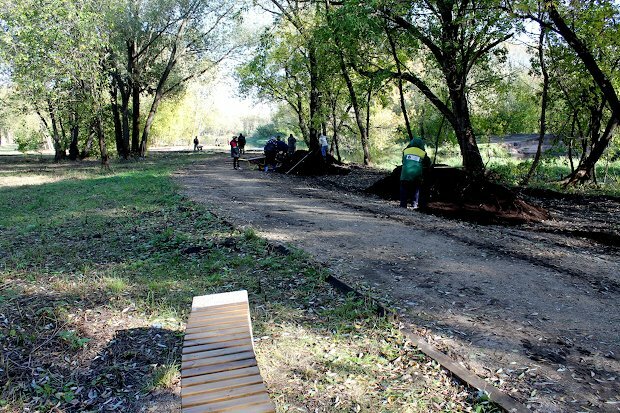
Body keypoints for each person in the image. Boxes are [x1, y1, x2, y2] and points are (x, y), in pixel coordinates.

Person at [400, 137, 431, 209]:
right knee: (416, 188)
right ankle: (414, 204)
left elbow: (403, 161)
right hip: (416, 175)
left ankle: (402, 204)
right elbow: (427, 163)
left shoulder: (405, 151)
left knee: (404, 187)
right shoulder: (423, 153)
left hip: (405, 174)